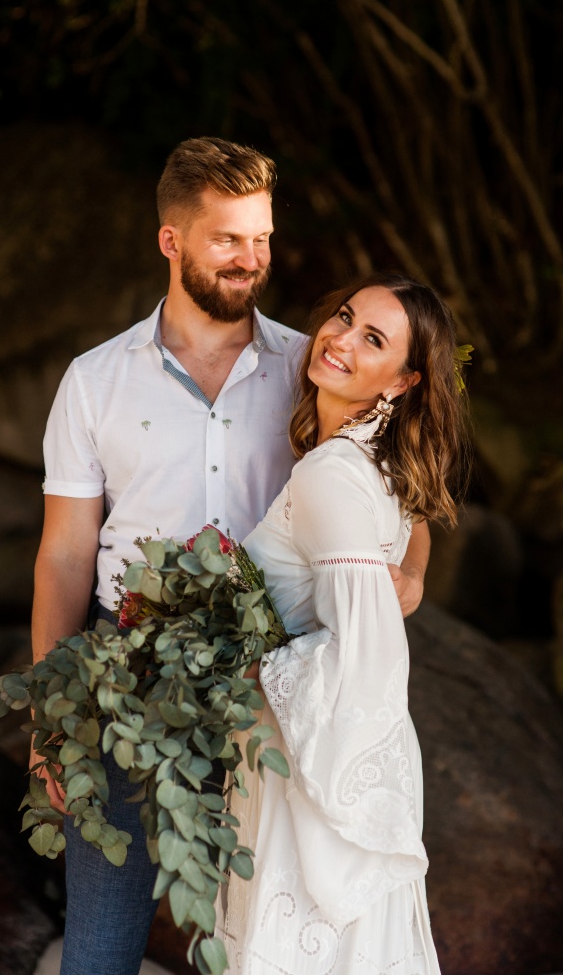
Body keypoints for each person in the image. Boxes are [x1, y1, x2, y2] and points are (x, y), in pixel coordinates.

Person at [30, 138, 431, 975]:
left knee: (263, 934)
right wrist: (50, 716)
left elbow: (404, 485)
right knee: (100, 940)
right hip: (129, 675)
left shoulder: (315, 366)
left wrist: (411, 572)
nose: (251, 259)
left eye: (262, 239)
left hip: (270, 690)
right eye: (227, 240)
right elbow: (65, 554)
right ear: (170, 240)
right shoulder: (94, 382)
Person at [219, 272, 469, 975]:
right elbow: (409, 530)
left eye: (373, 339)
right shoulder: (373, 463)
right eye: (346, 317)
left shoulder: (332, 472)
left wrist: (237, 668)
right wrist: (412, 574)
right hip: (310, 757)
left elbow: (364, 656)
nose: (340, 339)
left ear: (403, 382)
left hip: (312, 782)